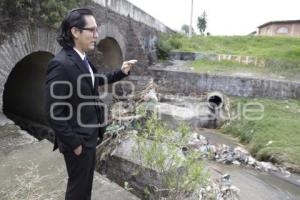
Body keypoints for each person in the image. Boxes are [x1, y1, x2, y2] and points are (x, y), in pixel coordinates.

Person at [44, 8, 136, 200]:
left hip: (90, 135)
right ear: (75, 32)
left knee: (85, 187)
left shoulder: (82, 58)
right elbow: (53, 112)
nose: (96, 35)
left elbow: (94, 80)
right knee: (77, 190)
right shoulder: (60, 64)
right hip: (78, 141)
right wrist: (75, 144)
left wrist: (121, 72)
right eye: (92, 30)